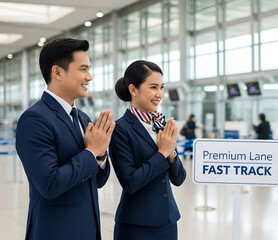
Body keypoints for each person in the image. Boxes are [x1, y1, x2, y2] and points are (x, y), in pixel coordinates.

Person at [15, 38, 115, 240]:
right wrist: (91, 151)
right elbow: (50, 184)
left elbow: (98, 181)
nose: (90, 77)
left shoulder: (82, 118)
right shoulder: (34, 119)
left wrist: (101, 153)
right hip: (55, 232)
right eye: (83, 69)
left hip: (88, 230)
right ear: (58, 72)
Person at [110, 60, 186, 240]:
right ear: (133, 89)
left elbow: (179, 178)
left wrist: (172, 154)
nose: (159, 94)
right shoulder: (120, 129)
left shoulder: (161, 125)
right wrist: (162, 153)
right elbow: (130, 182)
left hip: (168, 222)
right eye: (153, 87)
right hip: (137, 226)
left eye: (161, 87)